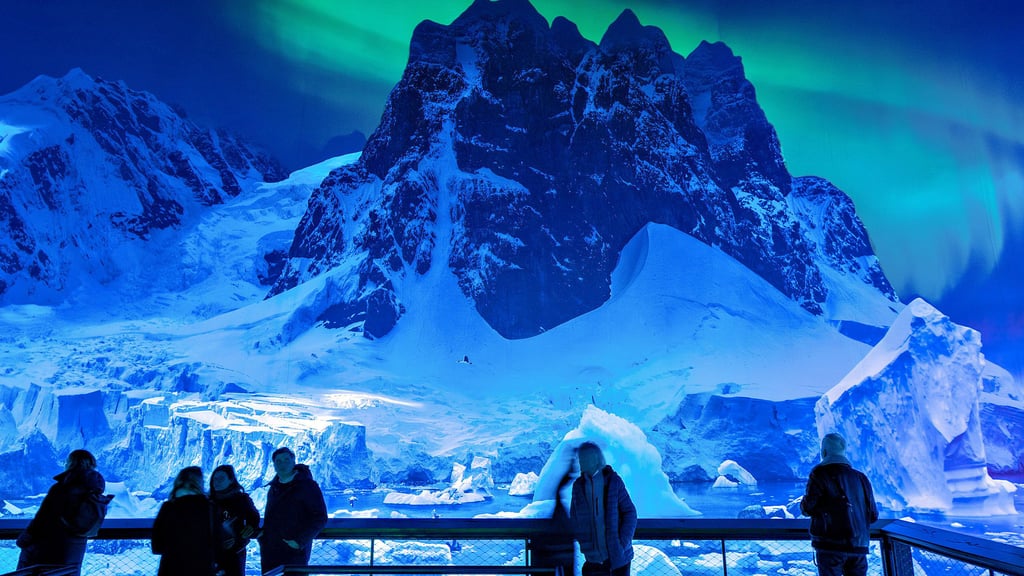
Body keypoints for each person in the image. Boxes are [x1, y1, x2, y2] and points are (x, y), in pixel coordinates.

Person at [16, 449, 108, 576]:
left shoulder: (62, 489)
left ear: (70, 463)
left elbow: (42, 518)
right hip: (75, 549)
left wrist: (25, 539)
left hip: (48, 545)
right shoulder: (95, 491)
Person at [800, 433, 879, 576]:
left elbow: (808, 508)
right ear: (843, 451)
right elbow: (873, 515)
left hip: (830, 546)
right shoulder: (861, 478)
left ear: (824, 452)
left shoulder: (819, 474)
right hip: (859, 546)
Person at [569, 441, 637, 576]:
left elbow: (630, 512)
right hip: (592, 561)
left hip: (618, 560)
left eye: (584, 457)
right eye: (580, 457)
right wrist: (585, 544)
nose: (581, 461)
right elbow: (574, 518)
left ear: (595, 458)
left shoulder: (613, 481)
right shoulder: (578, 486)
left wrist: (622, 543)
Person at [258, 447, 328, 573]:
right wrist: (263, 537)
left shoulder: (307, 486)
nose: (282, 464)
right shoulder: (274, 487)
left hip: (295, 554)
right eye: (278, 461)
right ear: (274, 465)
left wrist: (299, 541)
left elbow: (320, 517)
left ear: (293, 461)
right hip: (270, 553)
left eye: (286, 460)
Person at [152, 466, 219, 576]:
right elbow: (217, 542)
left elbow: (157, 546)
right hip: (202, 569)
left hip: (171, 569)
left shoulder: (168, 508)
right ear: (198, 483)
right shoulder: (210, 508)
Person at [210, 464, 261, 576]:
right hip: (212, 555)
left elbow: (254, 518)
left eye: (221, 478)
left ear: (231, 480)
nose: (217, 482)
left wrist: (246, 532)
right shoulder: (208, 502)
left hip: (235, 554)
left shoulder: (241, 500)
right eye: (215, 479)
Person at [531, 458, 577, 576]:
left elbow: (558, 490)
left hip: (556, 549)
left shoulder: (556, 509)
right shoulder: (564, 511)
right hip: (565, 549)